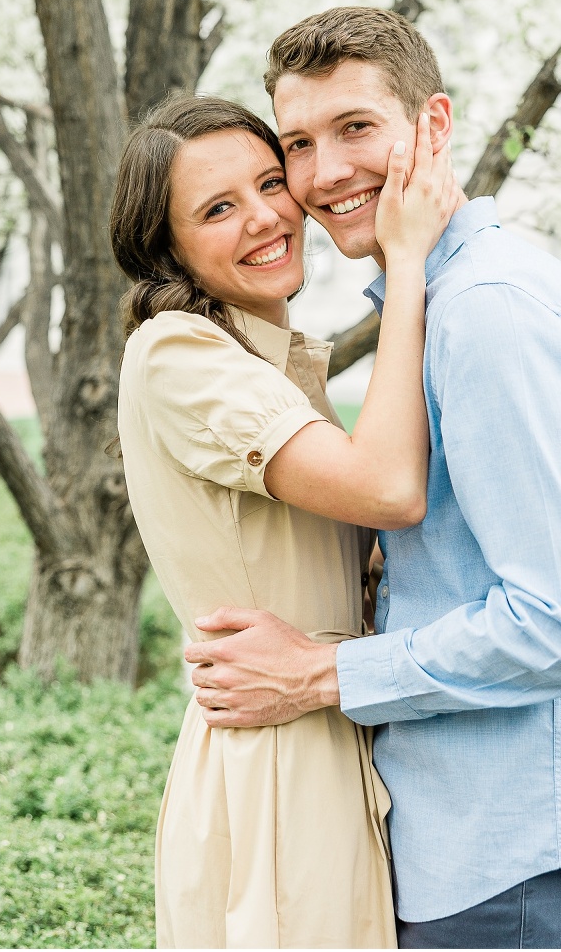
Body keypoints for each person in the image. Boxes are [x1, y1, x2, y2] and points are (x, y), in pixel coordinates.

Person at [186, 7, 561, 950]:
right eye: (299, 144)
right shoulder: (438, 301)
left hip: (521, 862)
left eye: (355, 127)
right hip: (476, 846)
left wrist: (318, 674)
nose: (325, 173)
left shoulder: (487, 314)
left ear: (433, 125)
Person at [110, 92, 458, 948]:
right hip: (276, 769)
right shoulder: (178, 354)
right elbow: (388, 487)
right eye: (218, 209)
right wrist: (406, 261)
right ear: (167, 246)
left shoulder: (266, 362)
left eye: (271, 183)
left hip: (322, 738)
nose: (266, 217)